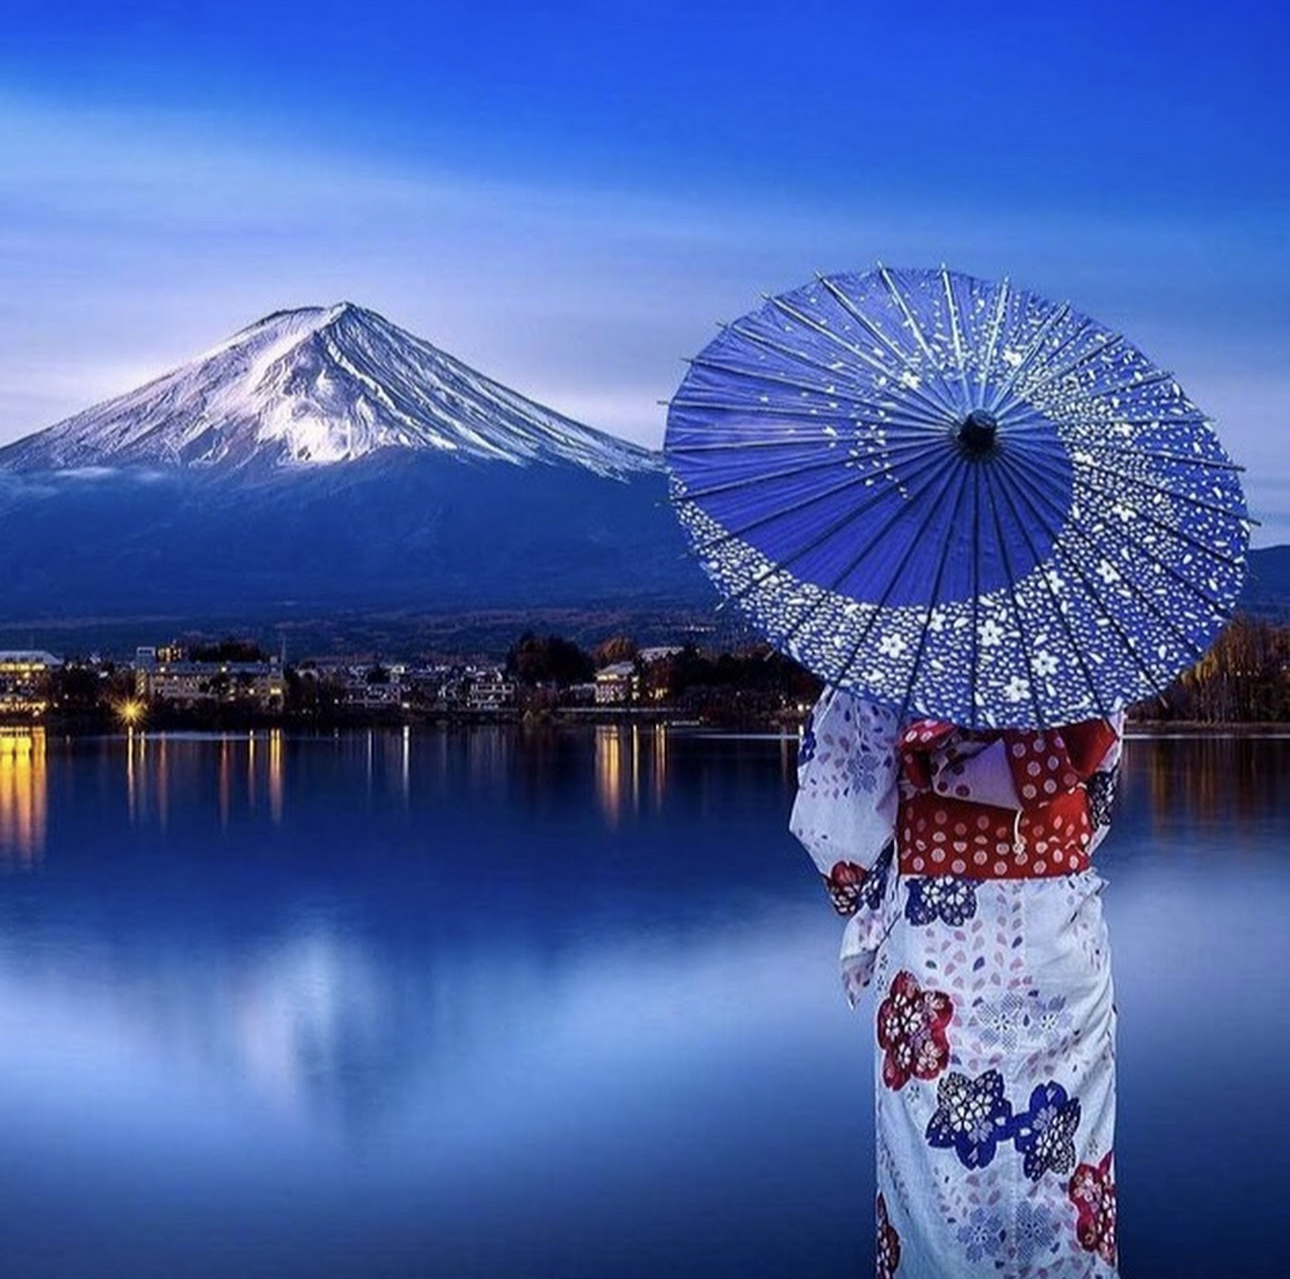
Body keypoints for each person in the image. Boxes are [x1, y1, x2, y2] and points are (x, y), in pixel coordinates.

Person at [791, 688, 1124, 1279]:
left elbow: (842, 840)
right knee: (1064, 1176)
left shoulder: (896, 642)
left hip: (938, 956)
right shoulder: (1077, 646)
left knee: (938, 1197)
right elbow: (1095, 806)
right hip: (1060, 942)